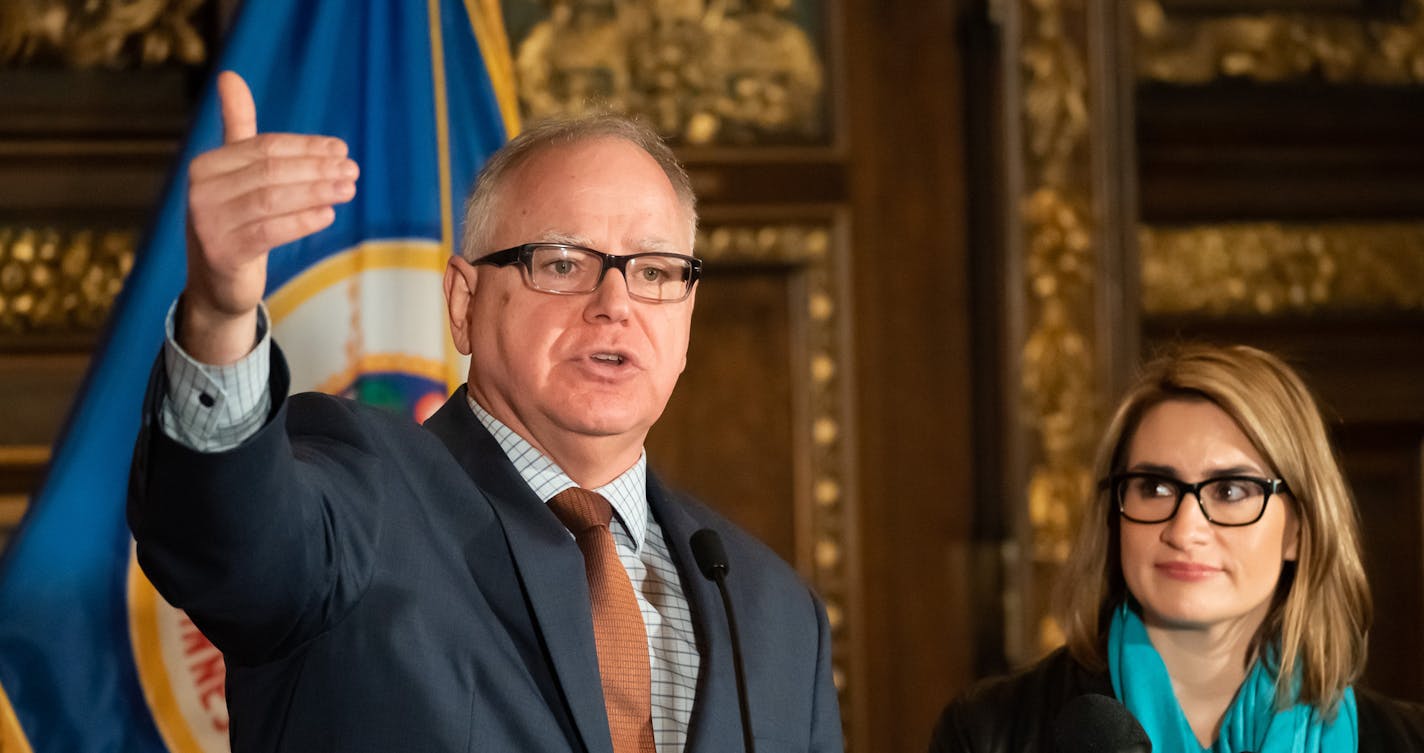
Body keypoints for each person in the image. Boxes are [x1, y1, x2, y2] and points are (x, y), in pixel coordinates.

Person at [127, 71, 842, 753]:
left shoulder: (773, 610)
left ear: (687, 319)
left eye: (655, 272)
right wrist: (218, 318)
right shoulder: (363, 497)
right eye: (562, 263)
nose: (615, 305)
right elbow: (228, 541)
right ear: (464, 304)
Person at [929, 344, 1424, 752]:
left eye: (1230, 491)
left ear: (1299, 528)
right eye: (1155, 488)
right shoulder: (987, 731)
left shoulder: (1405, 740)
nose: (1185, 530)